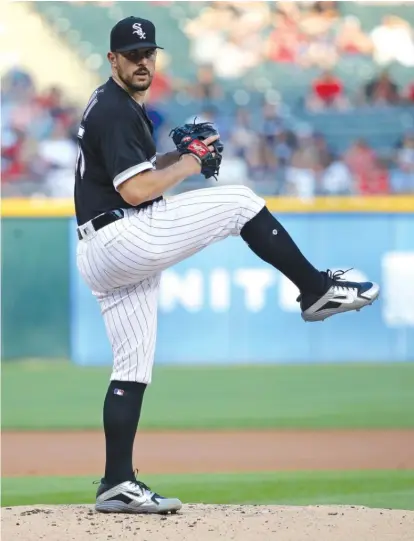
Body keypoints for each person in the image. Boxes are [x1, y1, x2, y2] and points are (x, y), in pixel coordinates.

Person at [74, 16, 380, 515]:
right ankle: (315, 289)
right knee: (239, 201)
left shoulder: (113, 104)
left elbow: (136, 176)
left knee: (132, 366)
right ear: (113, 60)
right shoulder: (115, 109)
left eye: (149, 52)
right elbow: (134, 191)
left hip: (100, 250)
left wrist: (177, 154)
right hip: (122, 236)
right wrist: (192, 161)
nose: (142, 61)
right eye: (132, 55)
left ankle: (115, 482)